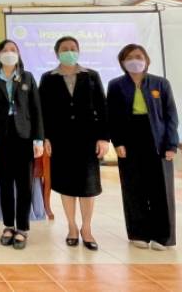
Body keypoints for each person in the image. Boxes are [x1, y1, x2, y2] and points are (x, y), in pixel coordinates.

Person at [39, 36, 109, 251]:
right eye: (64, 48)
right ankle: (71, 227)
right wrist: (45, 137)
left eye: (73, 48)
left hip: (88, 139)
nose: (69, 51)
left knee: (88, 186)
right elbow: (43, 111)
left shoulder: (91, 76)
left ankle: (87, 229)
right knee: (67, 185)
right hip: (60, 140)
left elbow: (102, 107)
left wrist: (103, 137)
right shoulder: (48, 78)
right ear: (57, 53)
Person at [107, 43, 178, 251]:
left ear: (146, 60)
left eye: (138, 56)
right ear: (122, 62)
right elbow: (112, 117)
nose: (134, 60)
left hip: (158, 139)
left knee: (161, 189)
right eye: (129, 57)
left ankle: (163, 236)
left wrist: (171, 144)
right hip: (130, 140)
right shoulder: (116, 85)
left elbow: (171, 116)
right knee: (133, 187)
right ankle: (138, 232)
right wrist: (118, 142)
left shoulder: (160, 83)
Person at [0, 39, 43, 250]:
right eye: (5, 50)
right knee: (5, 185)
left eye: (13, 49)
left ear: (18, 54)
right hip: (0, 139)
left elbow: (36, 110)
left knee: (24, 186)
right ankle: (8, 226)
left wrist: (38, 139)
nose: (9, 53)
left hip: (24, 138)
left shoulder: (27, 77)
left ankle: (22, 228)